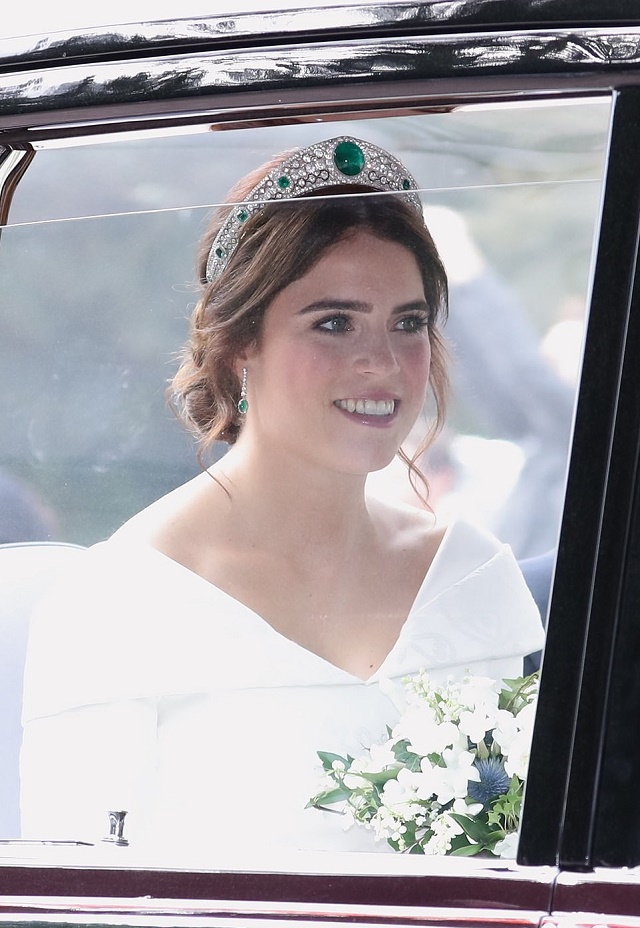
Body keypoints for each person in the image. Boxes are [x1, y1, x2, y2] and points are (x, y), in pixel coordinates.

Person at [20, 137, 544, 858]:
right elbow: (74, 894)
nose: (383, 362)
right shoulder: (120, 603)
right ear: (241, 345)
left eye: (409, 322)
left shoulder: (472, 578)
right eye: (334, 323)